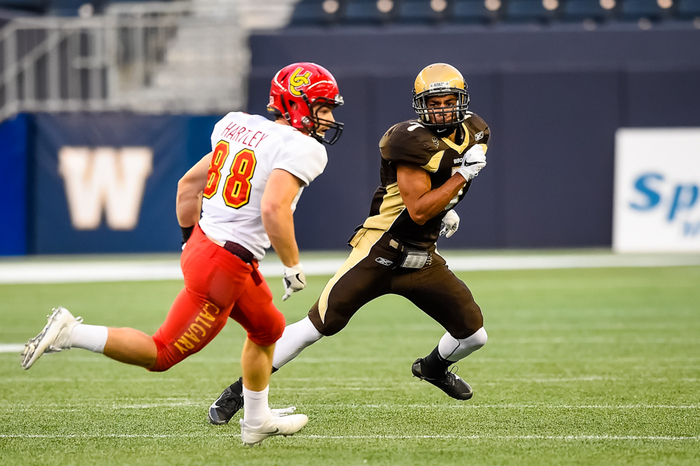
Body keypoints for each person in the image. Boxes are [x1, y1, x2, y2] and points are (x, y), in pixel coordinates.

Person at [20, 62, 345, 446]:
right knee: (160, 354)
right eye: (322, 108)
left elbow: (188, 185)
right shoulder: (302, 147)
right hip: (225, 264)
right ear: (294, 103)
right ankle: (71, 332)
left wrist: (190, 240)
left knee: (268, 327)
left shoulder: (237, 125)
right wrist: (292, 265)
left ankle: (256, 420)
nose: (328, 118)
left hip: (206, 245)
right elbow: (273, 209)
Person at [207, 62, 490, 426]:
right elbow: (418, 210)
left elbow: (438, 188)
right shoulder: (409, 139)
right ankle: (236, 394)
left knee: (473, 335)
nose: (441, 109)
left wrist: (447, 205)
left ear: (461, 100)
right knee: (315, 327)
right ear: (420, 105)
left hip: (422, 258)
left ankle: (433, 368)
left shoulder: (475, 130)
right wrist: (459, 181)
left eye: (448, 101)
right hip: (381, 250)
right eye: (433, 103)